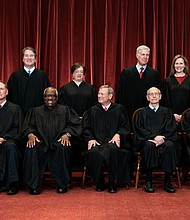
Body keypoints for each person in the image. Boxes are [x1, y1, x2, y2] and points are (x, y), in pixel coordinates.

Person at [21, 87, 82, 195]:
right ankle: (33, 185)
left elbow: (75, 125)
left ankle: (62, 184)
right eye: (47, 96)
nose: (50, 98)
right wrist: (30, 135)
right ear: (43, 98)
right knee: (31, 148)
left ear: (57, 97)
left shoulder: (66, 110)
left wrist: (67, 134)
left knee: (64, 147)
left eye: (52, 96)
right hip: (41, 142)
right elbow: (27, 126)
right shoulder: (35, 111)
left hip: (59, 141)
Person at [82, 85, 131, 193]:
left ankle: (112, 182)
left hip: (113, 143)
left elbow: (125, 127)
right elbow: (86, 128)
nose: (99, 96)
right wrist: (90, 139)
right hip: (97, 142)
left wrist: (118, 134)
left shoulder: (119, 109)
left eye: (102, 94)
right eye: (98, 93)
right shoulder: (92, 111)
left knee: (112, 150)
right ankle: (99, 181)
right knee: (94, 151)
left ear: (110, 96)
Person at [133, 87, 180, 193]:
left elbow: (171, 128)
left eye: (156, 94)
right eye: (151, 94)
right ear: (147, 97)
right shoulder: (142, 112)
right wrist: (154, 137)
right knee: (149, 146)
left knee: (170, 146)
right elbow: (139, 129)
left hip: (164, 139)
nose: (154, 96)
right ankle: (148, 181)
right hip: (147, 140)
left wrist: (162, 138)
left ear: (160, 96)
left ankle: (168, 181)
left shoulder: (167, 112)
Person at [58, 62, 97, 167]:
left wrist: (85, 117)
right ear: (72, 74)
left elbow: (94, 105)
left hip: (87, 120)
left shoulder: (91, 88)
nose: (79, 74)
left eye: (81, 72)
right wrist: (74, 118)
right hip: (70, 122)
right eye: (77, 71)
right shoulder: (65, 89)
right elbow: (62, 107)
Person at [116, 45, 162, 124]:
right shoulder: (127, 73)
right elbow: (120, 94)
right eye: (143, 54)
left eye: (147, 55)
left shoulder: (154, 74)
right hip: (129, 112)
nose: (145, 57)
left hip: (149, 114)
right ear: (137, 55)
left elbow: (159, 94)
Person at [7, 46, 50, 115]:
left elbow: (47, 95)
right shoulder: (15, 76)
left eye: (31, 56)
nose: (29, 58)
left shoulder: (42, 76)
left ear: (35, 59)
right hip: (19, 114)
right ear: (23, 59)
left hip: (39, 114)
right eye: (26, 56)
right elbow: (10, 96)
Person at [0, 80, 23, 195]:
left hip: (9, 139)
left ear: (7, 91)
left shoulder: (15, 109)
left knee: (10, 147)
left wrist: (3, 138)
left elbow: (18, 129)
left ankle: (12, 183)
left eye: (1, 89)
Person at [163, 54, 190, 129]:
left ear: (185, 65)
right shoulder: (168, 80)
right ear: (173, 65)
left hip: (188, 116)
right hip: (172, 117)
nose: (179, 66)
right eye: (176, 63)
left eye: (181, 63)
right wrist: (173, 114)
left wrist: (184, 115)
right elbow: (166, 100)